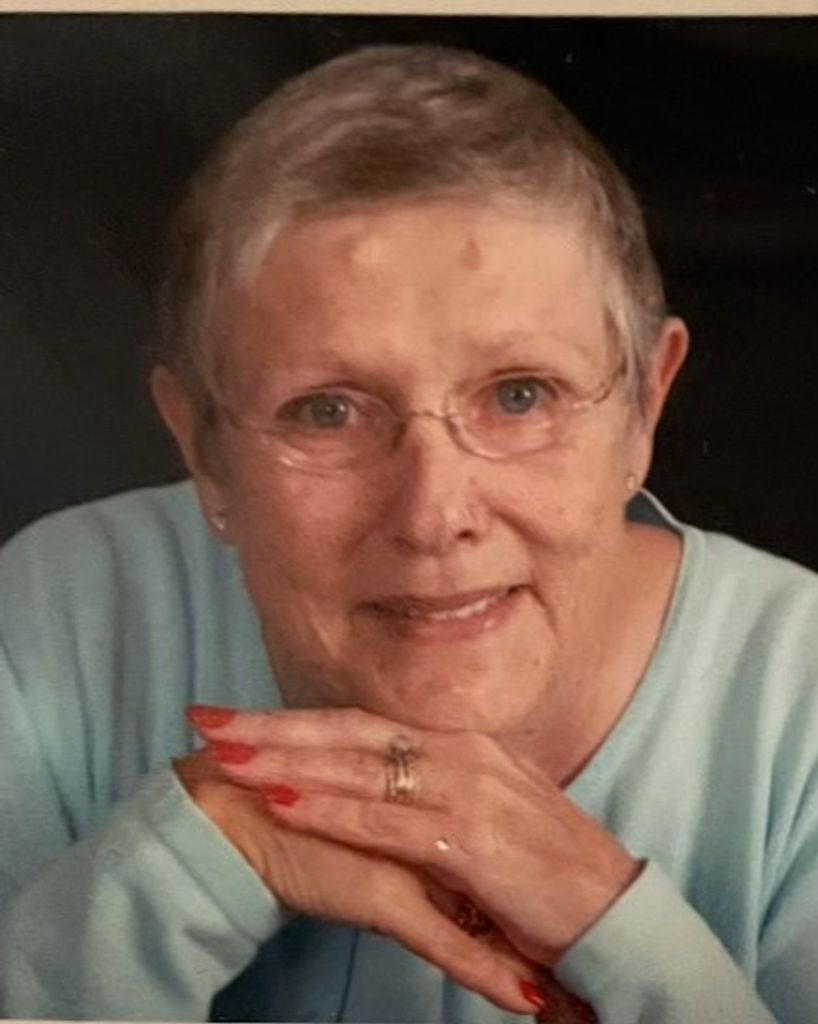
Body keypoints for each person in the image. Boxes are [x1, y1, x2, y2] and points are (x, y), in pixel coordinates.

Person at [0, 42, 815, 1024]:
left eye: (520, 395)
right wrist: (168, 877)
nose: (434, 516)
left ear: (643, 408)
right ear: (201, 446)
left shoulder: (801, 698)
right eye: (327, 412)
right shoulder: (53, 616)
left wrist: (617, 930)